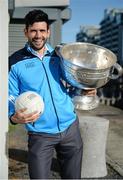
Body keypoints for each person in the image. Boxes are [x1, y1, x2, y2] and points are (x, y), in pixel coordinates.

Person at [9, 9, 96, 179]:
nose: (38, 35)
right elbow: (10, 94)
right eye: (33, 30)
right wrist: (13, 116)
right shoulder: (15, 61)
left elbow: (73, 84)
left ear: (48, 31)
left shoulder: (60, 55)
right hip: (40, 133)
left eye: (42, 30)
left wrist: (85, 88)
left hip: (70, 128)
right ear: (26, 31)